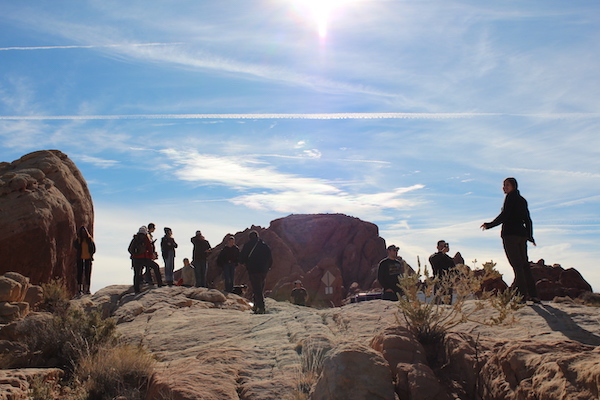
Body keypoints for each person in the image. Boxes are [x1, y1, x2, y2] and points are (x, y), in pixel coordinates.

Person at [481, 177, 540, 303]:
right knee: (525, 265)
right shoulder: (522, 200)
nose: (504, 187)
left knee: (517, 266)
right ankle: (534, 295)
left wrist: (489, 224)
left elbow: (505, 215)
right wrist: (530, 236)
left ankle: (522, 296)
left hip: (510, 235)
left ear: (514, 186)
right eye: (503, 185)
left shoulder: (510, 198)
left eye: (507, 185)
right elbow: (527, 219)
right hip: (522, 235)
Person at [239, 230, 272, 314]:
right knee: (260, 287)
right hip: (264, 270)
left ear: (250, 237)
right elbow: (270, 258)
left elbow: (242, 257)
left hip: (253, 270)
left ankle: (261, 307)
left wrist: (243, 263)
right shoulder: (264, 246)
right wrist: (268, 267)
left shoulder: (248, 245)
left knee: (257, 288)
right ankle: (256, 305)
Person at [130, 226, 164, 293]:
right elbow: (149, 247)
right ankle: (160, 284)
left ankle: (136, 290)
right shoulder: (146, 237)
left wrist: (134, 254)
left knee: (137, 274)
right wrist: (151, 255)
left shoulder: (135, 238)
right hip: (145, 258)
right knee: (155, 267)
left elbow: (130, 249)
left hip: (135, 259)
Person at [73, 226, 96, 295]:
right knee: (80, 274)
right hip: (80, 258)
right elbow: (75, 246)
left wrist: (91, 254)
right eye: (82, 232)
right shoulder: (79, 240)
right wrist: (78, 241)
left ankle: (87, 289)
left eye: (84, 232)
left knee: (87, 274)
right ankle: (80, 289)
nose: (83, 233)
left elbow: (93, 248)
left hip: (88, 259)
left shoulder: (89, 240)